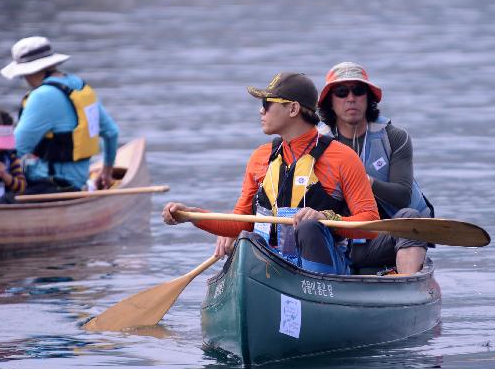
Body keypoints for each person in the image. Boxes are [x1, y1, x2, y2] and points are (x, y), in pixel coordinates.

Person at [162, 72, 380, 275]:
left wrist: (325, 217)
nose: (261, 111)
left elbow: (370, 225)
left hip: (326, 269)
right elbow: (240, 222)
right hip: (273, 265)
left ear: (293, 109)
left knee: (308, 227)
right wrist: (191, 215)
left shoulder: (342, 158)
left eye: (267, 104)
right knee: (247, 239)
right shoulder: (260, 157)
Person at [317, 62, 433, 275]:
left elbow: (402, 196)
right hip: (335, 240)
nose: (351, 98)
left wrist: (364, 181)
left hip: (382, 237)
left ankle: (404, 285)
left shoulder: (395, 138)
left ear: (368, 98)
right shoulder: (316, 144)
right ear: (330, 102)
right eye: (342, 92)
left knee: (410, 217)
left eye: (358, 90)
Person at [0, 36, 120, 193]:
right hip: (78, 181)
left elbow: (14, 150)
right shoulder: (79, 86)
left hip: (51, 184)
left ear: (29, 71)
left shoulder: (42, 96)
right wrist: (106, 171)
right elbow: (111, 132)